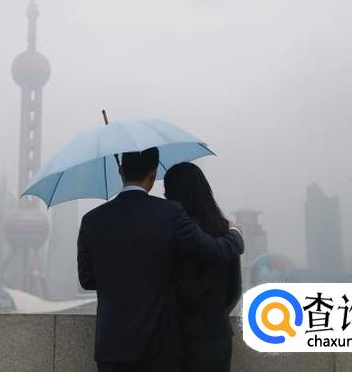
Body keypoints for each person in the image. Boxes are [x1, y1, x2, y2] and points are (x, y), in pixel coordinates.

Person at [77, 147, 244, 372]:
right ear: (154, 174)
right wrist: (235, 234)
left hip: (112, 345)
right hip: (159, 347)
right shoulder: (169, 213)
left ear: (120, 171)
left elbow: (87, 280)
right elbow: (213, 250)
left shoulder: (91, 220)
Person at [164, 162, 242, 372]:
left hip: (174, 337)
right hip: (216, 335)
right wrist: (215, 313)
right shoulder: (226, 230)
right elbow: (234, 290)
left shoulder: (170, 232)